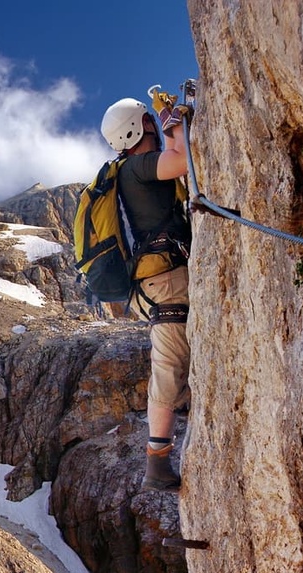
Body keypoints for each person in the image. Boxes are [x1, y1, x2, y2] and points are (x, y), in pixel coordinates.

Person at [99, 95, 193, 492]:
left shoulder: (125, 171)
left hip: (157, 280)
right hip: (167, 280)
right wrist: (174, 122)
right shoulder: (136, 167)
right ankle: (156, 461)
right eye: (149, 121)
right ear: (139, 128)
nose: (154, 125)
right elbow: (181, 162)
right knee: (169, 365)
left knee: (173, 360)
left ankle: (164, 445)